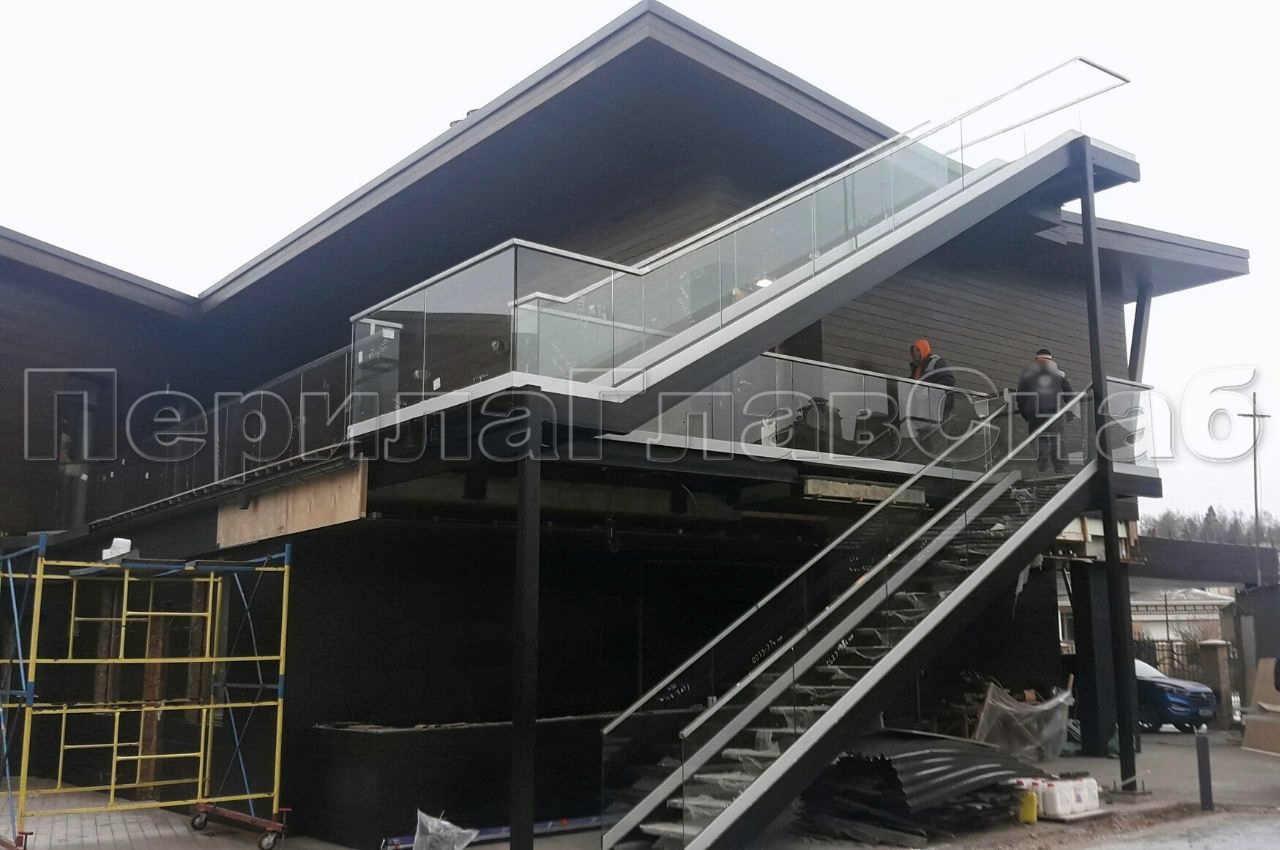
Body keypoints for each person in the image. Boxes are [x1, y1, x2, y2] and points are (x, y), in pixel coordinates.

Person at [1016, 348, 1075, 473]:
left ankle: (1043, 469)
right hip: (1054, 412)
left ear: (1036, 359)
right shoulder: (1060, 373)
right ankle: (1061, 470)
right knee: (1057, 440)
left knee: (1038, 440)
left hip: (1034, 413)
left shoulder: (1027, 374)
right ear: (1050, 359)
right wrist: (1070, 412)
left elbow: (1020, 397)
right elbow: (1069, 395)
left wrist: (1025, 414)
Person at [907, 338, 956, 420]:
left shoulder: (936, 362)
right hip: (923, 407)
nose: (915, 353)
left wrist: (930, 390)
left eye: (918, 350)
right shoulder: (916, 369)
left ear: (924, 350)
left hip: (938, 405)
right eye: (913, 351)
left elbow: (949, 379)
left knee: (933, 425)